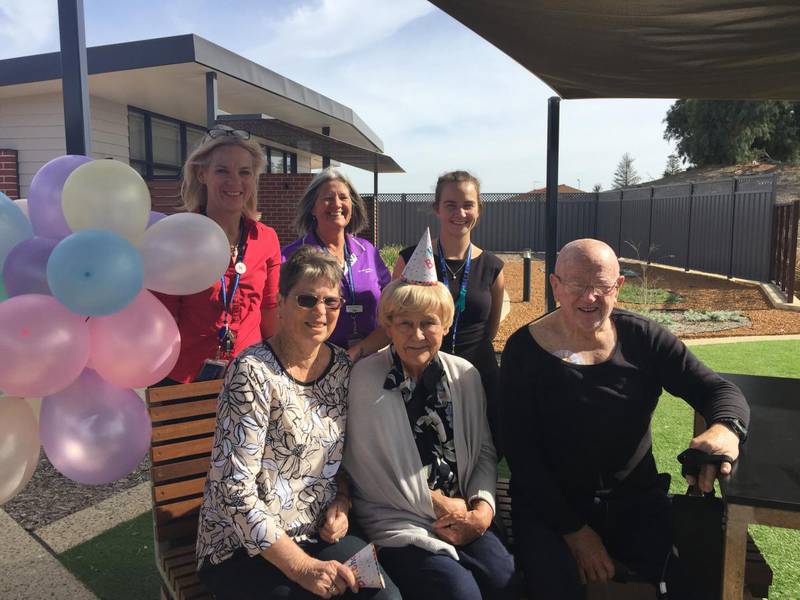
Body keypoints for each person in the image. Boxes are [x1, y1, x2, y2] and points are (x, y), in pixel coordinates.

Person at [501, 238, 750, 599]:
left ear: (618, 288)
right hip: (550, 508)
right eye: (577, 286)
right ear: (555, 286)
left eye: (601, 287)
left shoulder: (642, 338)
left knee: (693, 582)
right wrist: (576, 532)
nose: (589, 298)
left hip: (634, 500)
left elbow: (718, 391)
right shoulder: (524, 349)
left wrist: (727, 429)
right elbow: (520, 454)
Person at [196, 246, 400, 600]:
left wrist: (342, 500)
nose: (320, 311)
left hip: (316, 531)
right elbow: (233, 490)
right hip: (243, 545)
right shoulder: (252, 372)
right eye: (307, 299)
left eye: (331, 301)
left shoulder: (341, 368)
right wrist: (302, 568)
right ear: (281, 302)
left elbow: (341, 460)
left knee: (385, 597)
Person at [344, 232, 516, 600]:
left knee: (506, 580)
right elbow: (365, 472)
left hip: (466, 515)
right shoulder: (365, 380)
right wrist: (438, 504)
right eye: (404, 323)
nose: (417, 334)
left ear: (446, 324)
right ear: (388, 326)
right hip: (398, 521)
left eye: (429, 322)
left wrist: (482, 510)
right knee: (459, 592)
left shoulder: (465, 376)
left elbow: (485, 451)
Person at [156, 126, 281, 383]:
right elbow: (163, 319)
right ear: (202, 174)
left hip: (250, 380)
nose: (234, 182)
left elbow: (270, 313)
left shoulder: (266, 238)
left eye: (244, 172)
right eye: (222, 170)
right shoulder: (178, 237)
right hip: (185, 383)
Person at [392, 171, 504, 449]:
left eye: (468, 204)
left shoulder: (493, 267)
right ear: (437, 209)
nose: (460, 213)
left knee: (480, 450)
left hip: (476, 377)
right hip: (420, 377)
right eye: (451, 205)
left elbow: (490, 330)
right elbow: (393, 319)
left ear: (479, 209)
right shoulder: (409, 260)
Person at [282, 168, 391, 362]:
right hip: (313, 365)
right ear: (312, 208)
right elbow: (281, 317)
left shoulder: (368, 252)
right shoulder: (292, 256)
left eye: (343, 197)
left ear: (353, 205)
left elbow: (391, 308)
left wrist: (357, 351)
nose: (337, 204)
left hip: (369, 361)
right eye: (327, 198)